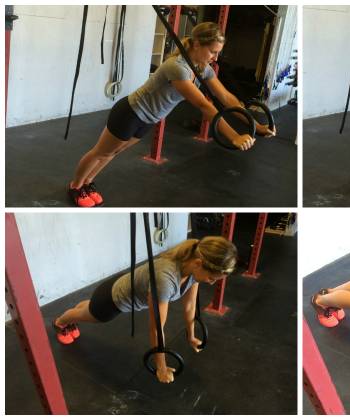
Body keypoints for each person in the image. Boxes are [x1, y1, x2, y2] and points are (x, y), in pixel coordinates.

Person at [68, 22, 276, 207]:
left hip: (148, 119)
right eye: (213, 51)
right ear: (196, 44)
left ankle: (88, 182)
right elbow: (204, 105)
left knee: (114, 152)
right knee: (101, 152)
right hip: (130, 113)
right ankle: (76, 187)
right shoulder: (177, 68)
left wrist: (255, 126)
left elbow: (227, 98)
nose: (216, 57)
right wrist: (234, 136)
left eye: (218, 52)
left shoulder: (203, 68)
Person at [53, 237, 237, 384]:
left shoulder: (192, 269)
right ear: (198, 263)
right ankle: (61, 321)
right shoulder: (165, 279)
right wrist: (161, 368)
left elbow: (189, 306)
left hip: (118, 287)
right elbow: (157, 328)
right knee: (92, 316)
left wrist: (190, 335)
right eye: (212, 278)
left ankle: (86, 306)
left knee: (90, 308)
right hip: (113, 300)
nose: (211, 282)